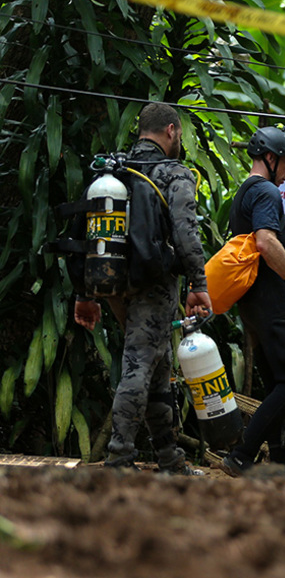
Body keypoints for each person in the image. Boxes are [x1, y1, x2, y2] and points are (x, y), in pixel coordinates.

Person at [73, 102, 212, 473]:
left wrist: (86, 293)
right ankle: (119, 458)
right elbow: (186, 233)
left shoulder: (115, 171)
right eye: (179, 133)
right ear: (171, 131)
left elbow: (89, 231)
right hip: (153, 284)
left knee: (156, 364)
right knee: (140, 364)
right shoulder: (173, 173)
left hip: (114, 281)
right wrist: (199, 284)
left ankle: (170, 459)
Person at [219, 125, 285, 477]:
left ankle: (280, 459)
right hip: (271, 300)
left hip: (252, 304)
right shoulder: (265, 191)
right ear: (270, 157)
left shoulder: (245, 192)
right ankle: (242, 454)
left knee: (278, 379)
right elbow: (265, 241)